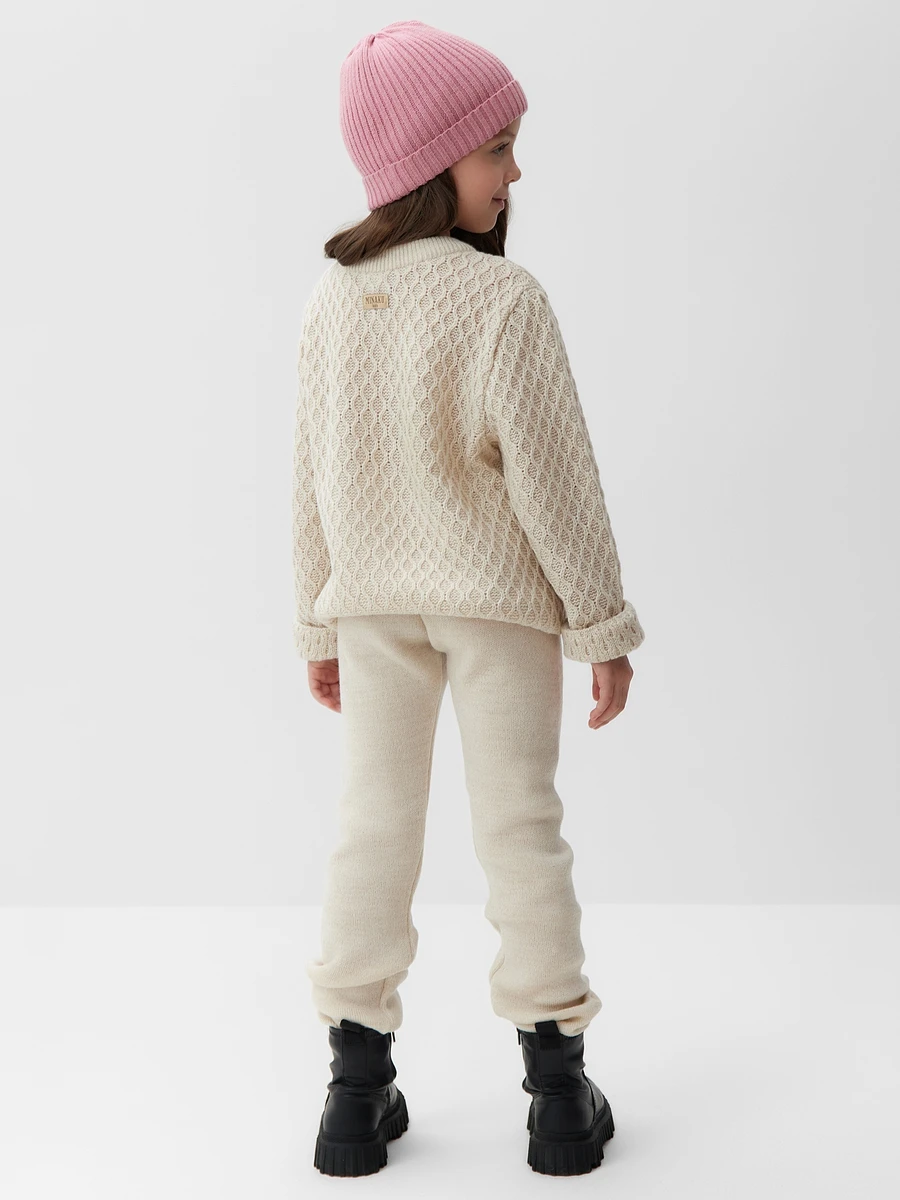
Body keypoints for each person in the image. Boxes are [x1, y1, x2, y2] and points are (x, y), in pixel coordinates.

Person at [294, 20, 645, 1178]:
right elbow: (557, 481)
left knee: (372, 829)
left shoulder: (332, 300)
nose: (515, 169)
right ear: (428, 162)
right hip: (497, 607)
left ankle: (354, 1095)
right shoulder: (503, 300)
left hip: (372, 609)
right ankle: (558, 1095)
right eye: (497, 147)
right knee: (520, 829)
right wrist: (600, 625)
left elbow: (311, 479)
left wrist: (317, 621)